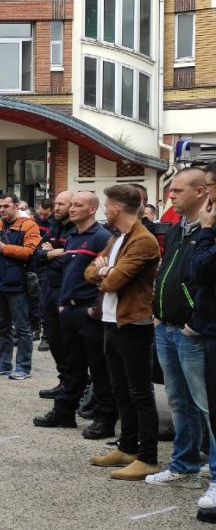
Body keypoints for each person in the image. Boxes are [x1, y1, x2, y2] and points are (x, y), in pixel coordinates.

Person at [145, 167, 216, 492]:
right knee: (178, 401)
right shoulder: (176, 229)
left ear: (201, 191)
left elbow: (203, 278)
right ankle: (184, 465)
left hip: (193, 331)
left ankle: (213, 474)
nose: (170, 195)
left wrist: (192, 322)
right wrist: (159, 312)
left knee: (207, 406)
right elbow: (167, 272)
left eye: (178, 190)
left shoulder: (209, 230)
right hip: (166, 326)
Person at [85, 184, 161, 481]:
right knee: (121, 390)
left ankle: (149, 457)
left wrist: (104, 272)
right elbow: (90, 271)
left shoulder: (144, 241)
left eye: (107, 205)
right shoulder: (117, 238)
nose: (105, 209)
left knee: (140, 392)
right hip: (111, 321)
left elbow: (112, 281)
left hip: (133, 324)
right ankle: (127, 447)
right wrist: (102, 271)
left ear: (116, 208)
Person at [33, 192, 117, 440]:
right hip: (67, 309)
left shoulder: (101, 238)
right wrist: (61, 303)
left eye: (78, 205)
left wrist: (94, 309)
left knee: (99, 369)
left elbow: (105, 277)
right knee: (71, 366)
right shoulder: (71, 237)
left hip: (88, 312)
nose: (71, 209)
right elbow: (58, 269)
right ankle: (64, 412)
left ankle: (104, 419)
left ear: (92, 209)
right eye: (71, 205)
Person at [0, 193, 42, 380]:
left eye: (6, 206)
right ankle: (4, 363)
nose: (2, 210)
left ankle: (23, 367)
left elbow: (30, 252)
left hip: (18, 286)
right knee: (3, 327)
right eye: (0, 206)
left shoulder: (29, 225)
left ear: (16, 206)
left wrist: (5, 248)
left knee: (22, 328)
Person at [187, 164, 216, 519]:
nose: (208, 194)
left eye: (210, 186)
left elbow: (203, 270)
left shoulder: (209, 229)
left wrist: (207, 232)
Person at [35, 191, 74, 397]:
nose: (57, 207)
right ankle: (64, 381)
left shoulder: (76, 230)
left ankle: (75, 385)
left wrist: (52, 255)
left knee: (69, 341)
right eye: (56, 203)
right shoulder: (53, 228)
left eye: (61, 204)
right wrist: (53, 252)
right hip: (48, 289)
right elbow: (36, 256)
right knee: (55, 340)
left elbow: (71, 260)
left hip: (65, 291)